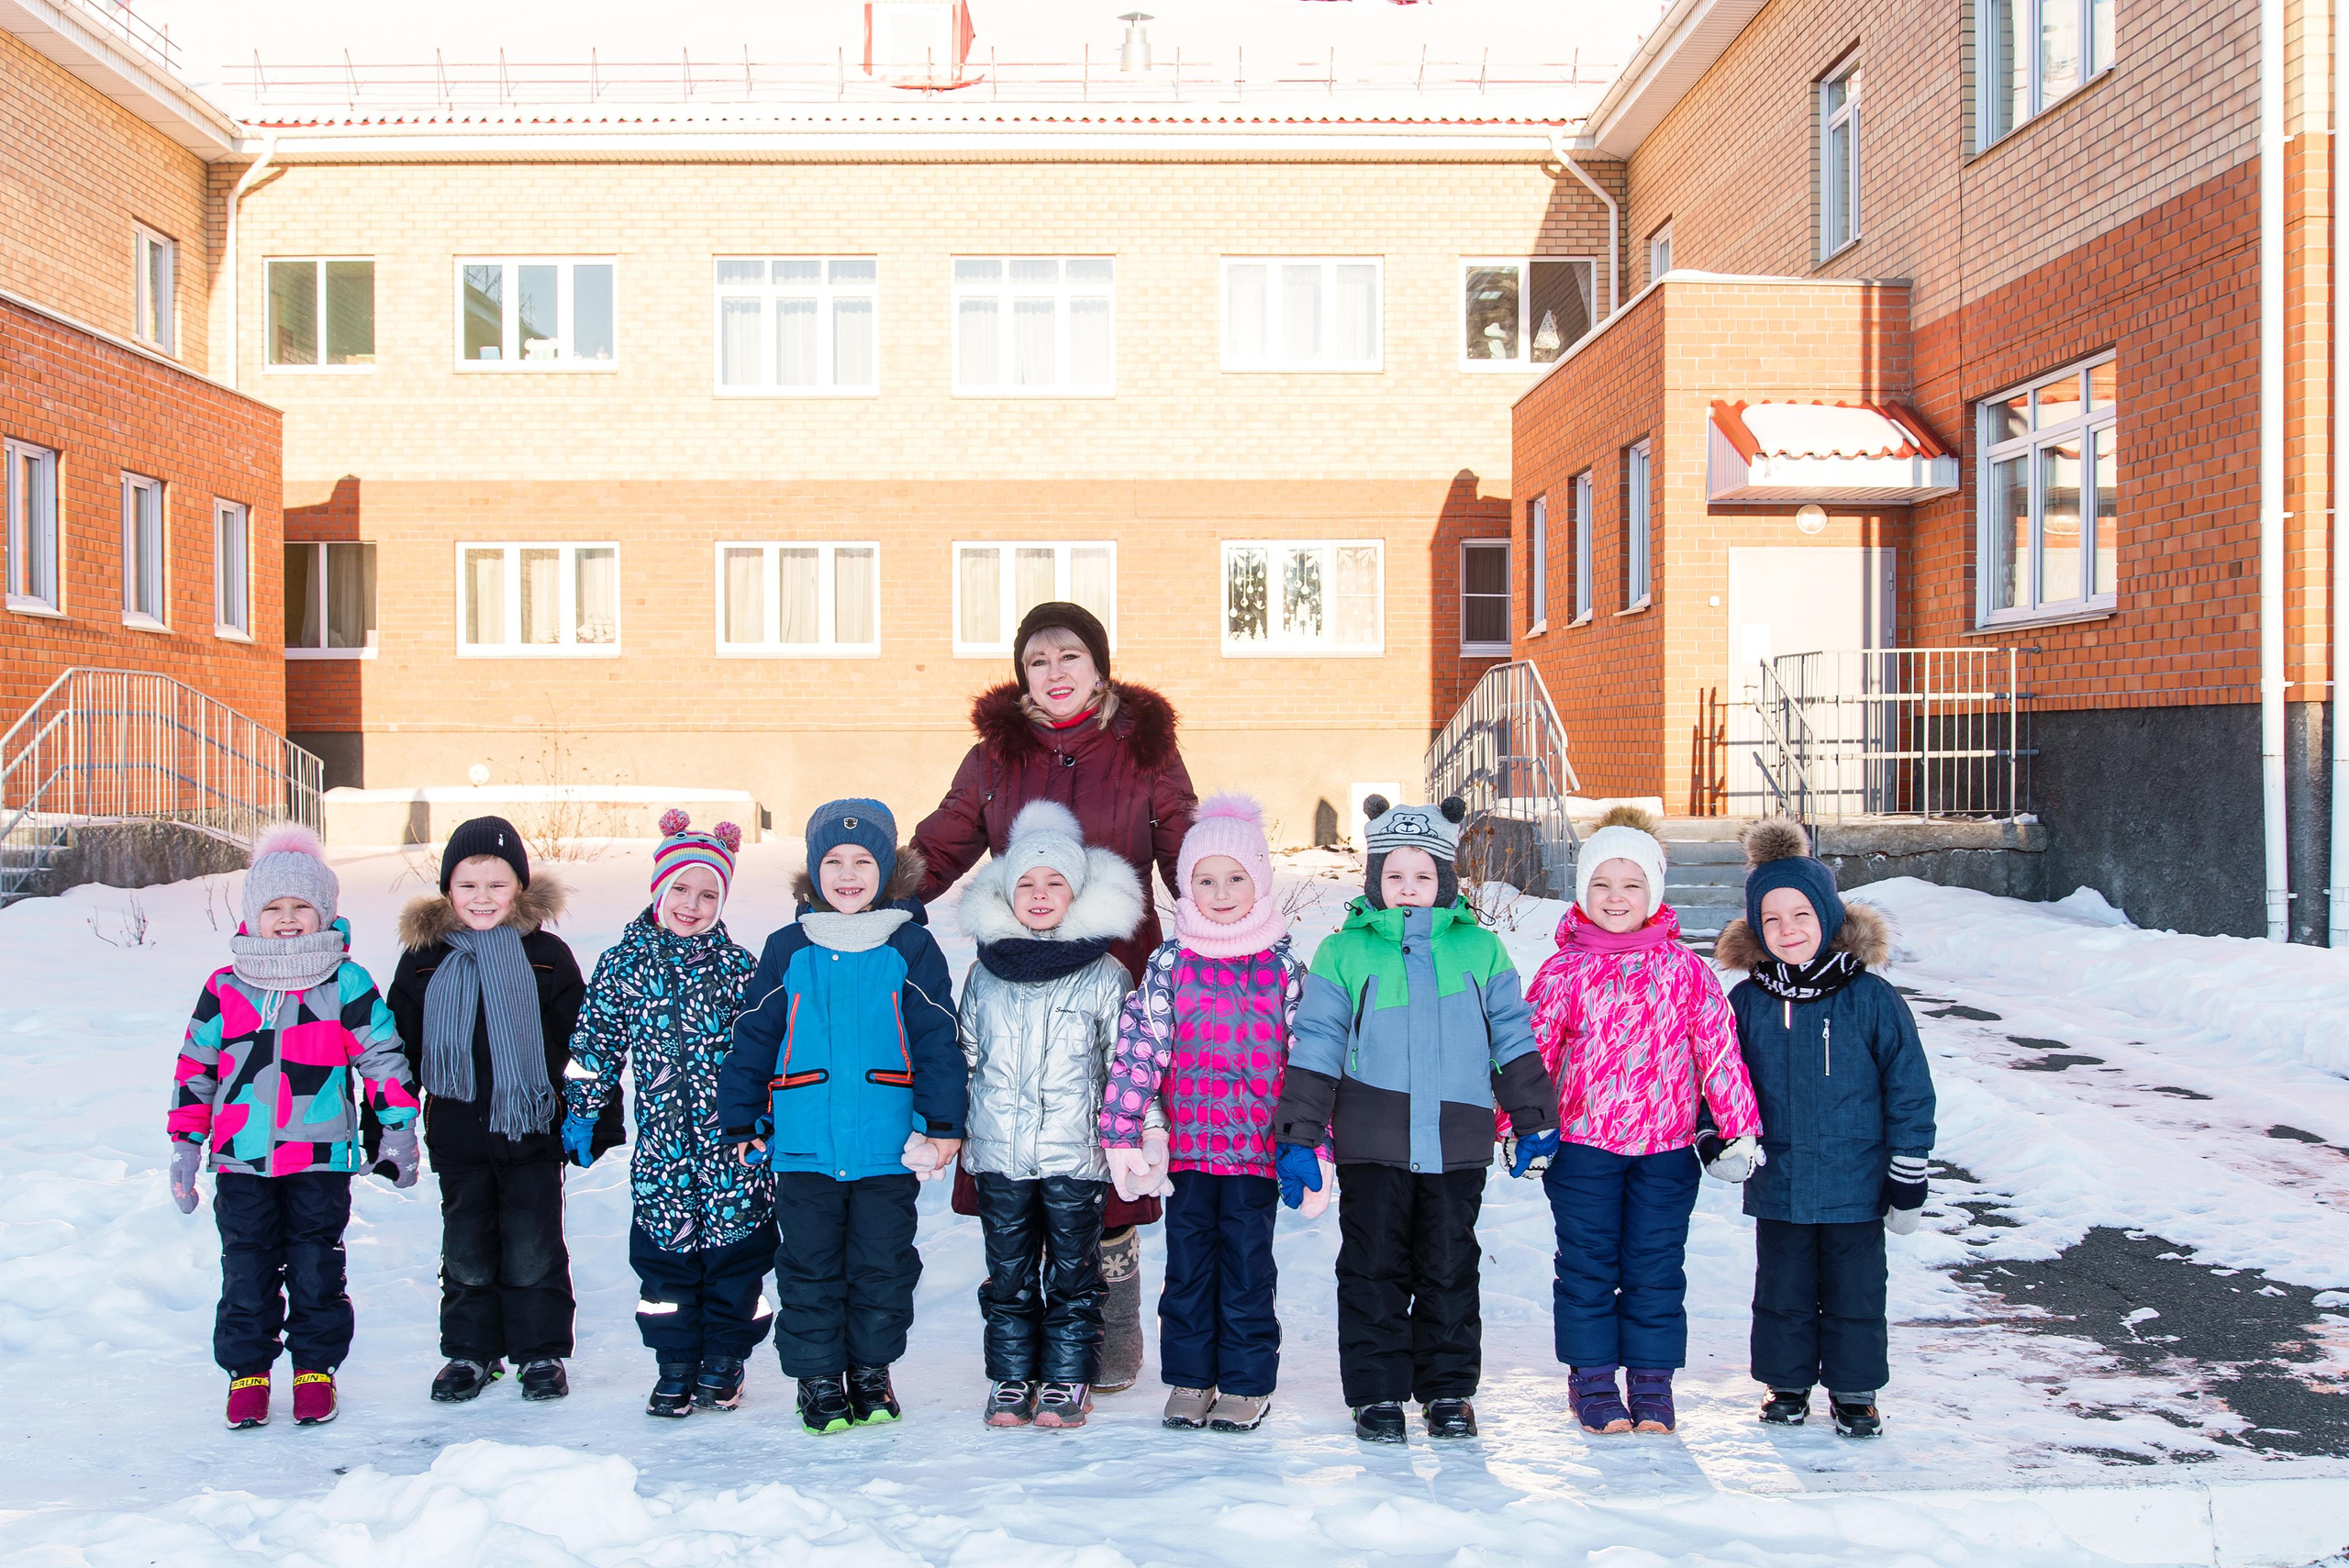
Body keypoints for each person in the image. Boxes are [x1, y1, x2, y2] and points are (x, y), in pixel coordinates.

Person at [912, 600, 1198, 1392]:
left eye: (1070, 655)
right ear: (1022, 675)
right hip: (1018, 981)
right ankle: (1026, 1341)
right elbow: (943, 840)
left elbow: (1184, 843)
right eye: (1038, 660)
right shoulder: (994, 758)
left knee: (1108, 1142)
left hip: (1116, 975)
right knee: (1022, 1143)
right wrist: (868, 893)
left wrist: (1225, 915)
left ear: (1099, 667)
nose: (1055, 672)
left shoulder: (1144, 749)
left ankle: (1105, 1333)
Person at [1271, 795, 1560, 1444]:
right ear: (1373, 879)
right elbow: (1315, 1043)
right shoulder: (1343, 954)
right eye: (1394, 875)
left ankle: (1449, 1390)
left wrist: (1533, 1112)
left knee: (1450, 1265)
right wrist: (1300, 1136)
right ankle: (1376, 1394)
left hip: (1456, 1141)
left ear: (1446, 881)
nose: (1408, 887)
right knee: (1372, 1267)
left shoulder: (1479, 950)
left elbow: (1511, 1035)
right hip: (1372, 1141)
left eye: (1423, 875)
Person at [718, 799, 966, 1435]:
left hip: (887, 1145)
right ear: (813, 870)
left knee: (883, 1262)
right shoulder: (788, 948)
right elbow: (753, 1037)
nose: (848, 874)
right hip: (805, 1147)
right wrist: (742, 1118)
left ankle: (871, 1370)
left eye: (863, 861)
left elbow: (939, 1039)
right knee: (808, 1265)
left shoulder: (910, 946)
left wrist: (943, 1125)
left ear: (887, 871)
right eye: (833, 861)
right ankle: (819, 1376)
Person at [1520, 806, 1762, 1436]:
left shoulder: (1685, 970)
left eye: (1631, 884)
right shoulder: (1563, 971)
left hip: (1666, 1149)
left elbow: (1718, 1048)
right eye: (1601, 884)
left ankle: (1652, 1384)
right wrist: (1523, 1127)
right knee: (1588, 1266)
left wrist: (1737, 1128)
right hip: (1583, 1149)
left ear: (1653, 892)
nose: (1616, 897)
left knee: (1655, 1265)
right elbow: (1531, 1056)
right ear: (1582, 893)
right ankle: (1594, 1381)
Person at [167, 825, 419, 1429]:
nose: (287, 919)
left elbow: (382, 1054)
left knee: (316, 1265)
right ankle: (247, 1373)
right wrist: (184, 1144)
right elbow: (195, 1067)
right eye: (273, 907)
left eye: (301, 906)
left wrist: (399, 1127)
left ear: (325, 911)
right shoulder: (225, 987)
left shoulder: (344, 981)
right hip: (240, 1158)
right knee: (246, 1267)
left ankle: (315, 1369)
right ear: (253, 914)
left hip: (321, 1157)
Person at [1101, 794, 1319, 1435]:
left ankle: (1247, 1384)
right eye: (1204, 880)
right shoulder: (1172, 964)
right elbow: (1140, 1048)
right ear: (1185, 886)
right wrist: (1123, 1128)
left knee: (1248, 1269)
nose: (1220, 893)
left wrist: (1314, 1142)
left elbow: (1310, 1058)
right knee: (1189, 1269)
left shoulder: (1282, 967)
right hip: (1189, 1153)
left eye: (1235, 878)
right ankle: (1192, 1378)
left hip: (1256, 1154)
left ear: (1260, 882)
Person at [1714, 817, 1937, 1439]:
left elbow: (1909, 1086)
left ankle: (1854, 1389)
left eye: (1801, 916)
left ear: (1828, 918)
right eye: (1773, 919)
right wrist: (1721, 1136)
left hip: (1856, 1184)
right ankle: (1786, 1385)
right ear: (1757, 926)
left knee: (1856, 1292)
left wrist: (1908, 1171)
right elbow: (1718, 1076)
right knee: (1782, 1290)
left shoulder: (1871, 997)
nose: (1788, 930)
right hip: (1780, 1181)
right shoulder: (1748, 1002)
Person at [390, 816, 611, 1405]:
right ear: (446, 891)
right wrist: (388, 1127)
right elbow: (397, 1052)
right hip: (458, 1133)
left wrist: (591, 1120)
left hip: (532, 1134)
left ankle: (540, 1354)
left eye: (496, 884)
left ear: (520, 888)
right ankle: (470, 1352)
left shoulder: (547, 957)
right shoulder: (422, 961)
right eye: (468, 885)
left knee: (534, 1244)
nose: (482, 898)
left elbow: (581, 1047)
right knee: (465, 1248)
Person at [562, 811, 773, 1419]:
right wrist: (583, 1107)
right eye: (681, 888)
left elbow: (769, 1052)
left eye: (708, 893)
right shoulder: (623, 965)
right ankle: (676, 1361)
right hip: (663, 1153)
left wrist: (768, 1122)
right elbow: (594, 1045)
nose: (692, 903)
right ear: (658, 887)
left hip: (735, 1149)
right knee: (665, 1259)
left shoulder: (740, 967)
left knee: (737, 1257)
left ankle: (726, 1359)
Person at [957, 800, 1144, 1429]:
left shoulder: (1104, 974)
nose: (1039, 895)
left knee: (1074, 1272)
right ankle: (1012, 1379)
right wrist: (950, 1132)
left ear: (1077, 892)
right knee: (1008, 1274)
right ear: (1006, 895)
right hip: (1000, 1154)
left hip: (1075, 1153)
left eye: (1054, 883)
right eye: (1026, 884)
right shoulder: (985, 973)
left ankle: (1067, 1379)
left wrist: (1140, 1132)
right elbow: (966, 1056)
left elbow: (1126, 1064)